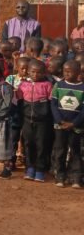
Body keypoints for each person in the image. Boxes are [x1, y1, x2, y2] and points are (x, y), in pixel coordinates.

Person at [16, 60, 53, 182]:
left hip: (42, 122)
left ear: (44, 73)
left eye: (39, 72)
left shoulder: (47, 85)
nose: (36, 75)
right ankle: (30, 167)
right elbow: (19, 101)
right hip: (27, 120)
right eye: (33, 71)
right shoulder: (23, 85)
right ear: (28, 71)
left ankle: (40, 170)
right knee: (28, 144)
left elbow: (51, 102)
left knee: (41, 145)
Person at [50, 60, 84, 188]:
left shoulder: (82, 88)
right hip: (60, 126)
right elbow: (53, 104)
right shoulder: (58, 85)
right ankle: (60, 176)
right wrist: (60, 120)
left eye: (70, 71)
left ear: (78, 72)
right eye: (65, 71)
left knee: (75, 151)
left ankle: (75, 177)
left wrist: (74, 123)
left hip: (76, 127)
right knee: (60, 150)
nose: (66, 73)